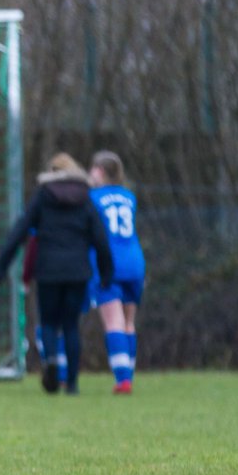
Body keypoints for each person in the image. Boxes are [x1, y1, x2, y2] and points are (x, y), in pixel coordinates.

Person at [0, 152, 112, 395]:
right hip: (78, 271)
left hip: (48, 270)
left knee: (48, 322)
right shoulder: (86, 198)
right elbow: (100, 238)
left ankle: (51, 364)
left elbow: (21, 230)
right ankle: (72, 384)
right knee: (70, 326)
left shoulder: (43, 196)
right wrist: (106, 271)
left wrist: (2, 264)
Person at [88, 150, 145, 394]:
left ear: (99, 171)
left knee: (114, 321)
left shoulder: (92, 198)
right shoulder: (129, 197)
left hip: (108, 263)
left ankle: (122, 380)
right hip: (135, 262)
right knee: (129, 322)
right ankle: (128, 375)